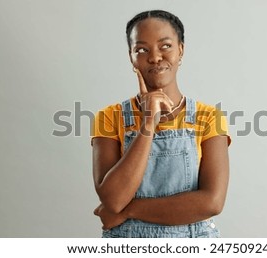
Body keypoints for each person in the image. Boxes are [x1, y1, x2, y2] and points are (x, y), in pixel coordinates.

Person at [91, 10, 231, 238]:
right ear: (131, 57)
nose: (155, 57)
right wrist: (148, 123)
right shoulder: (109, 117)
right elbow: (113, 199)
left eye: (165, 46)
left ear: (181, 50)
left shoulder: (209, 117)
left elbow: (211, 203)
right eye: (142, 49)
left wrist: (130, 210)